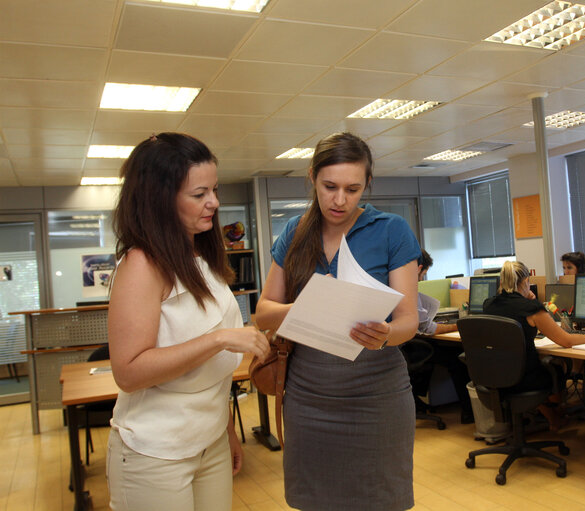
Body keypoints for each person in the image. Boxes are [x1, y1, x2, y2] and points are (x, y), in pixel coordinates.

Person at [254, 132, 420, 510]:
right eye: (329, 187)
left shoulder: (391, 229)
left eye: (352, 188)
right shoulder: (295, 232)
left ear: (367, 185)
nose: (340, 200)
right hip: (309, 396)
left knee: (380, 500)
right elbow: (263, 313)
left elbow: (408, 320)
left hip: (377, 396)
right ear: (312, 177)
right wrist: (308, 303)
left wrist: (386, 333)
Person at [107, 133, 270, 511]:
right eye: (199, 194)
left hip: (208, 437)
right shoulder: (141, 265)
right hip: (156, 451)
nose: (213, 202)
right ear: (160, 199)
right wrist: (218, 340)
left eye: (214, 190)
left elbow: (209, 376)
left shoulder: (200, 255)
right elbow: (129, 372)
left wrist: (226, 429)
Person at [482, 260, 585, 430]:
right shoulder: (530, 308)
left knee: (545, 365)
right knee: (558, 366)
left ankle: (554, 415)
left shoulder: (488, 304)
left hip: (494, 374)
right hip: (524, 378)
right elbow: (566, 341)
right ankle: (557, 414)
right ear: (526, 281)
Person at [415, 249, 473, 424]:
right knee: (459, 360)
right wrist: (458, 326)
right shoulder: (407, 288)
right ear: (418, 268)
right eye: (422, 274)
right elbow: (429, 328)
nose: (420, 279)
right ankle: (468, 412)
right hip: (415, 348)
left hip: (410, 345)